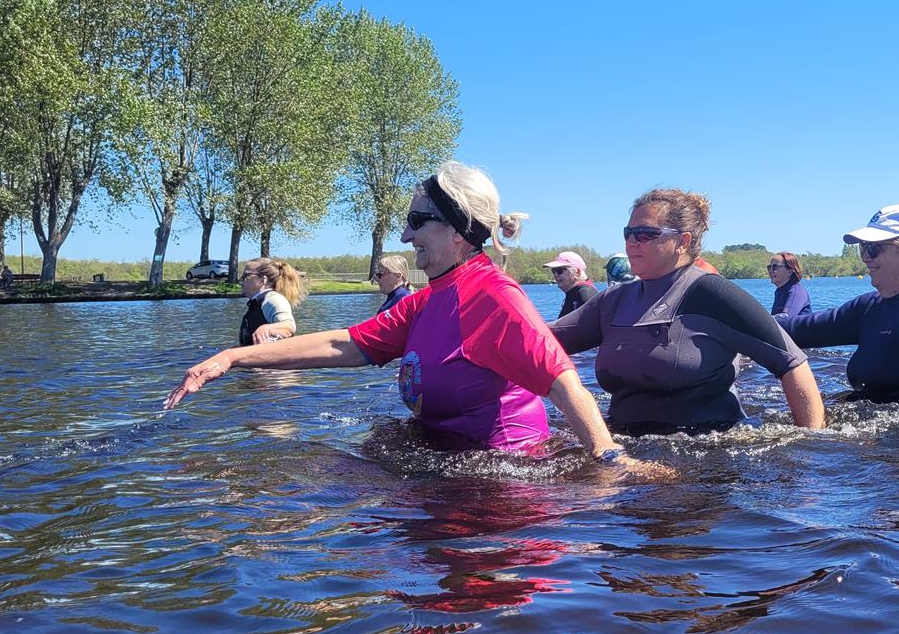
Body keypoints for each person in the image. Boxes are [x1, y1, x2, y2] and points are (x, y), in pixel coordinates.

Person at [167, 161, 656, 472]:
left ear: (460, 231)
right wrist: (233, 358)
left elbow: (563, 380)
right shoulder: (431, 298)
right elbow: (346, 344)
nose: (405, 235)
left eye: (418, 221)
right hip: (449, 459)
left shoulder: (492, 297)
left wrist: (609, 463)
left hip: (505, 484)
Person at [549, 188, 825, 435]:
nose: (631, 242)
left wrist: (810, 448)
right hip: (629, 450)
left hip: (705, 456)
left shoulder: (713, 295)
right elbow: (543, 342)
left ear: (682, 241)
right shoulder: (613, 301)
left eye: (645, 233)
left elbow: (791, 362)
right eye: (628, 233)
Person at [775, 206, 899, 417]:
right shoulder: (868, 307)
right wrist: (743, 321)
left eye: (873, 248)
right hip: (871, 432)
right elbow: (800, 330)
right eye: (863, 248)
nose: (866, 257)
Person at [238, 258, 307, 345]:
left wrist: (266, 329)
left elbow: (288, 327)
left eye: (246, 275)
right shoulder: (256, 303)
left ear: (263, 280)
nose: (240, 280)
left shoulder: (273, 299)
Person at [545, 251, 597, 318]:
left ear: (577, 272)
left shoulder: (585, 293)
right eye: (553, 271)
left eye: (559, 270)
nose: (555, 275)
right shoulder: (574, 293)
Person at [767, 251, 812, 318]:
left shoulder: (797, 292)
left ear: (789, 271)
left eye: (775, 267)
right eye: (769, 267)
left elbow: (785, 318)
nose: (770, 271)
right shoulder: (779, 291)